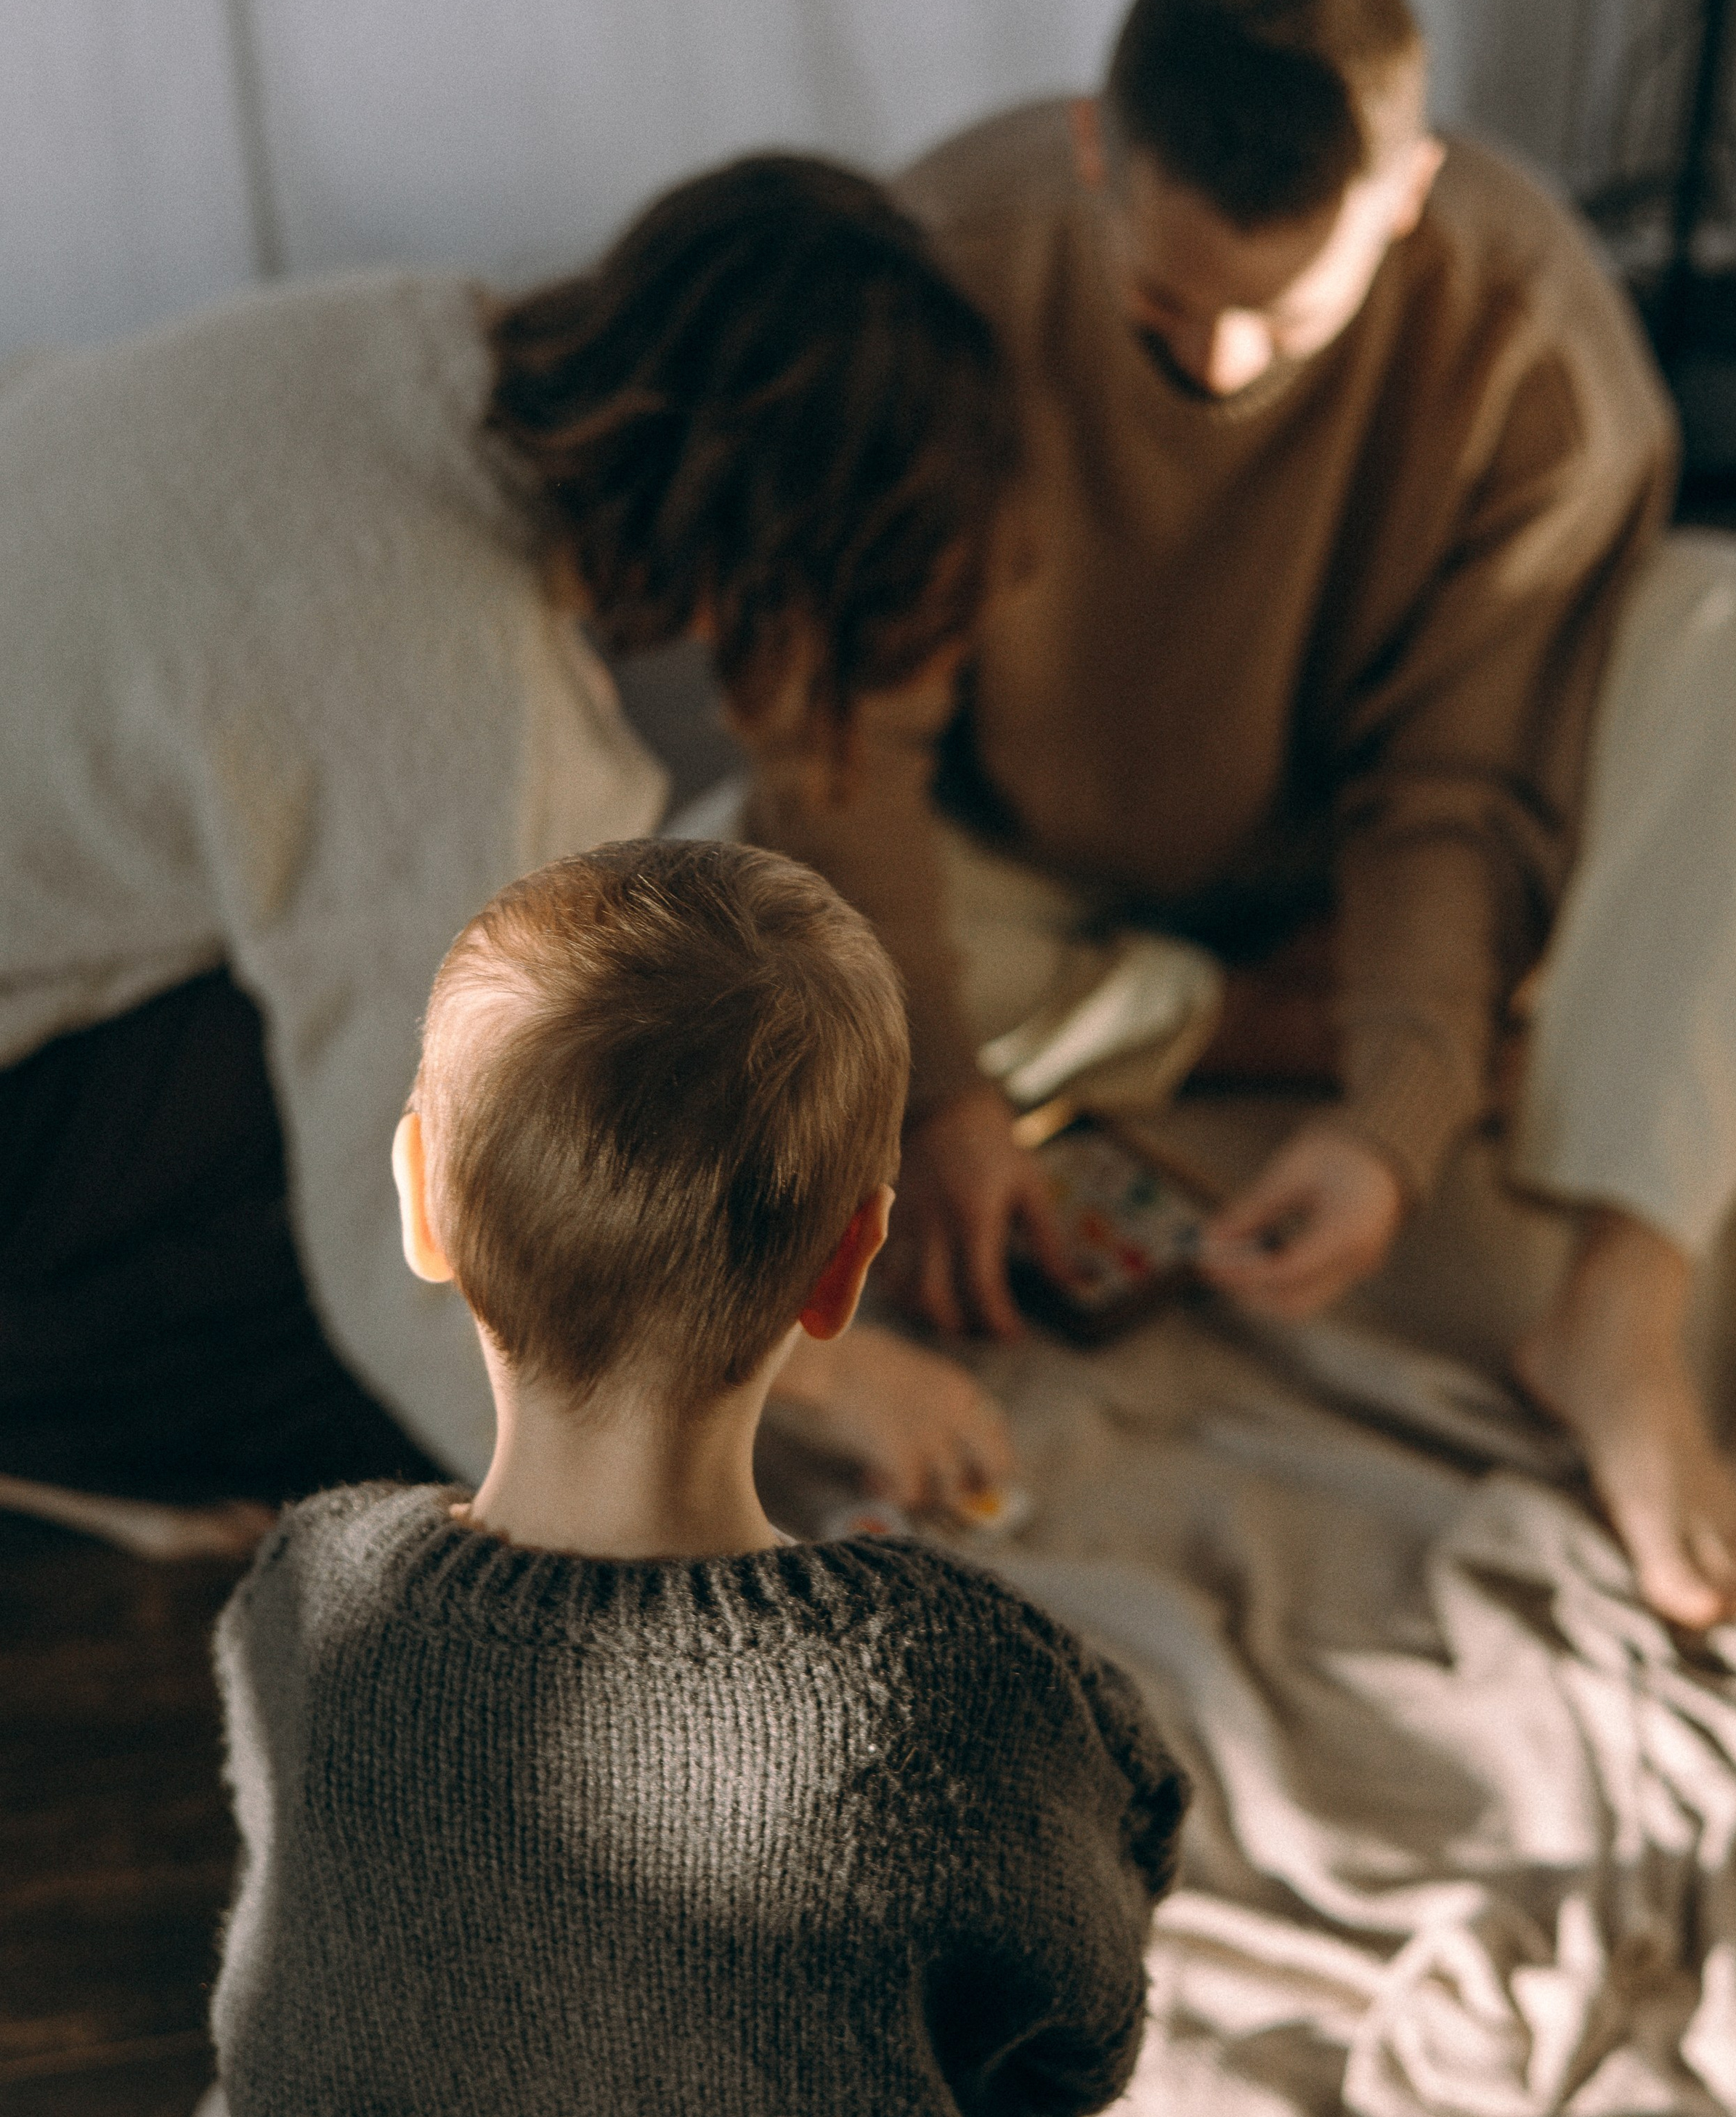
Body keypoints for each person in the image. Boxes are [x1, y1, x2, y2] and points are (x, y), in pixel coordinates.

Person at [746, 0, 1736, 1630]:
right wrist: (943, 1093)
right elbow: (843, 744)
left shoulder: (1531, 332)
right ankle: (1247, 1022)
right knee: (716, 896)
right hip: (1018, 853)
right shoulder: (941, 262)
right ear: (1096, 152)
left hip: (1348, 861)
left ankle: (1615, 1318)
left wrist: (1391, 1120)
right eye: (1166, 308)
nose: (1219, 369)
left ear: (1404, 195)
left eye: (1285, 320)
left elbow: (1457, 781)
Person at [207, 838, 1187, 2117]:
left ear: (420, 1199)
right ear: (846, 1266)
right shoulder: (941, 1689)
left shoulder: (304, 1596)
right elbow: (1084, 2037)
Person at [0, 154, 1019, 1533]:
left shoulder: (401, 331)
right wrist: (828, 1377)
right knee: (457, 1253)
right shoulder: (445, 699)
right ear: (782, 564)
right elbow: (422, 1278)